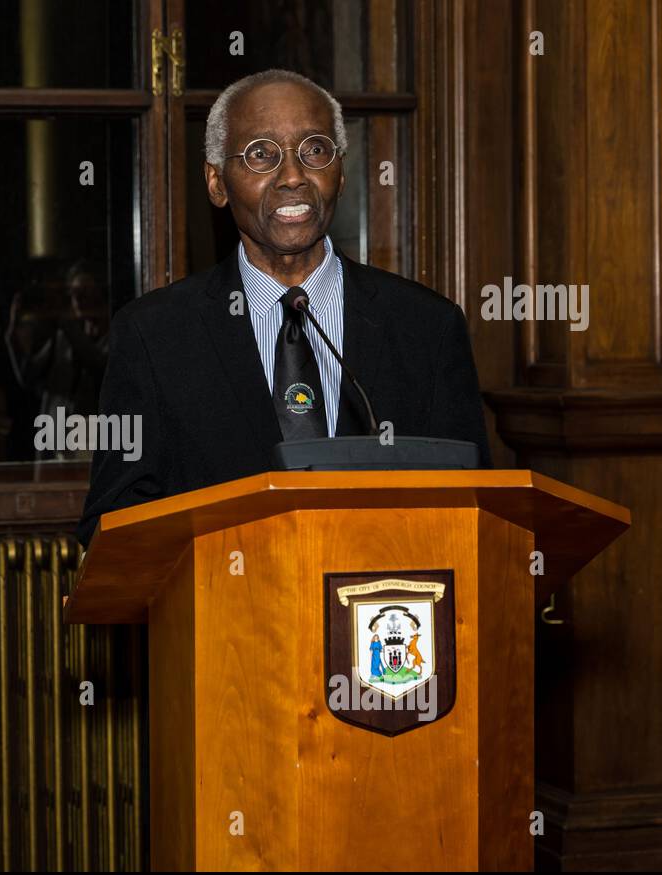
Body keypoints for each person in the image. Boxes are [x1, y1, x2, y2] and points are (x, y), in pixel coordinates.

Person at [76, 68, 492, 547]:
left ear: (340, 170)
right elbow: (112, 524)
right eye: (261, 155)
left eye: (314, 149)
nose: (293, 176)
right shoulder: (154, 335)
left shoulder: (428, 327)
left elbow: (475, 508)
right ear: (216, 183)